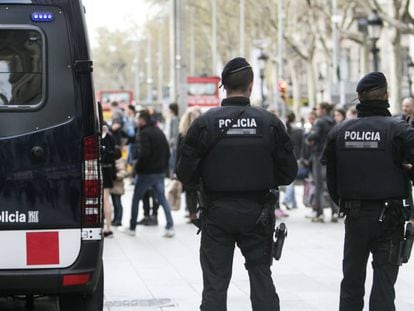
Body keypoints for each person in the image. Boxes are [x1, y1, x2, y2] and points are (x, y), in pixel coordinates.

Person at [176, 57, 297, 311]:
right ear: (251, 86)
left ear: (223, 86)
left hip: (217, 211)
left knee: (215, 284)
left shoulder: (204, 123)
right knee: (261, 277)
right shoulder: (269, 122)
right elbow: (288, 173)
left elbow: (184, 173)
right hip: (258, 212)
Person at [322, 72, 414, 311]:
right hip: (390, 217)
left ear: (359, 98)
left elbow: (331, 180)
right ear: (386, 95)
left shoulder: (340, 131)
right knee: (384, 284)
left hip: (355, 216)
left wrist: (348, 203)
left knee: (351, 282)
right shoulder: (400, 131)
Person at [121, 110, 175, 238]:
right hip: (159, 172)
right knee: (162, 199)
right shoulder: (159, 131)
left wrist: (137, 169)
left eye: (137, 118)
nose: (135, 120)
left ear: (142, 120)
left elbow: (144, 154)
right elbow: (167, 151)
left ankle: (132, 227)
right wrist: (163, 167)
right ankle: (170, 226)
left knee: (136, 199)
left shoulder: (144, 133)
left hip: (146, 173)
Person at [307, 102, 338, 222]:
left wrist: (309, 137)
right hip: (331, 156)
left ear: (323, 110)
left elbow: (312, 137)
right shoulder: (333, 121)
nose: (317, 110)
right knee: (331, 184)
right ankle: (335, 212)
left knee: (319, 185)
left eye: (318, 108)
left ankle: (320, 213)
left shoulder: (319, 122)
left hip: (319, 155)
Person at [177, 107, 202, 222]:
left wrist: (176, 170)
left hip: (187, 168)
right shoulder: (202, 133)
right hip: (200, 167)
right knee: (200, 190)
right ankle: (202, 210)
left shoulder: (182, 135)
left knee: (189, 193)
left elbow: (178, 153)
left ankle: (192, 214)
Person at [282, 111, 304, 210]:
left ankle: (294, 203)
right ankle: (287, 199)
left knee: (292, 179)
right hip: (297, 157)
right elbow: (303, 145)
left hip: (287, 156)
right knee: (292, 180)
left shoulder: (284, 130)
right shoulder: (299, 130)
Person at [101, 124, 117, 238]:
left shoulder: (96, 135)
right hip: (108, 170)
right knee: (106, 199)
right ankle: (109, 227)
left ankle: (103, 227)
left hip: (99, 168)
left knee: (102, 199)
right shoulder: (110, 136)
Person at [110, 147, 127, 227]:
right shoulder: (113, 162)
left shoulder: (120, 162)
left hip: (118, 187)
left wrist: (115, 176)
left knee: (118, 204)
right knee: (114, 204)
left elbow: (123, 173)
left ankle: (118, 219)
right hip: (113, 187)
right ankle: (115, 219)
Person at [168, 102, 180, 177]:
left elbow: (175, 133)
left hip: (174, 145)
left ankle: (172, 176)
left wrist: (171, 143)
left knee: (172, 162)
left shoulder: (174, 119)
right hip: (174, 144)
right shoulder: (175, 118)